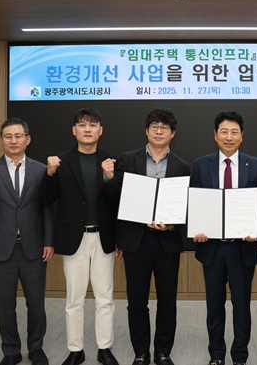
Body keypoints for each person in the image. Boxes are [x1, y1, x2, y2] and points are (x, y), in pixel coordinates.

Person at [0, 118, 54, 365]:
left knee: (36, 304)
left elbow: (48, 208)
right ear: (0, 140)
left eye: (18, 136)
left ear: (28, 139)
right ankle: (11, 351)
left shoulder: (41, 170)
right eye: (8, 136)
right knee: (4, 305)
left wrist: (49, 240)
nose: (13, 140)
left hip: (33, 247)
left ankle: (36, 348)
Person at [108, 108, 191, 365]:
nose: (158, 131)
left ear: (172, 133)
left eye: (164, 127)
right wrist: (108, 178)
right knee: (136, 301)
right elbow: (115, 200)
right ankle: (141, 352)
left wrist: (172, 225)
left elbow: (186, 205)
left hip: (167, 242)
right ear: (146, 130)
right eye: (154, 126)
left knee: (167, 301)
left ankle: (163, 351)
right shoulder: (127, 159)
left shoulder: (182, 166)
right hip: (136, 240)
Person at [39, 108, 120, 365]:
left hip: (103, 238)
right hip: (74, 238)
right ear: (74, 130)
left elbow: (119, 202)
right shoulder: (60, 162)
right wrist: (49, 173)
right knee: (74, 299)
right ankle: (76, 350)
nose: (87, 129)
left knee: (105, 298)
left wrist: (110, 177)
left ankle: (104, 348)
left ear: (100, 130)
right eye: (82, 125)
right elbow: (46, 198)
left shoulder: (111, 161)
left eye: (92, 125)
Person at [190, 110, 257, 365]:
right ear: (215, 135)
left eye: (234, 132)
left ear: (242, 135)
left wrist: (253, 223)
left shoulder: (255, 164)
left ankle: (240, 357)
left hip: (242, 248)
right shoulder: (201, 164)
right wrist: (198, 226)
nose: (229, 137)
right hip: (212, 247)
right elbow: (195, 199)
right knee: (214, 306)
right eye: (223, 131)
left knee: (241, 306)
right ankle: (216, 355)